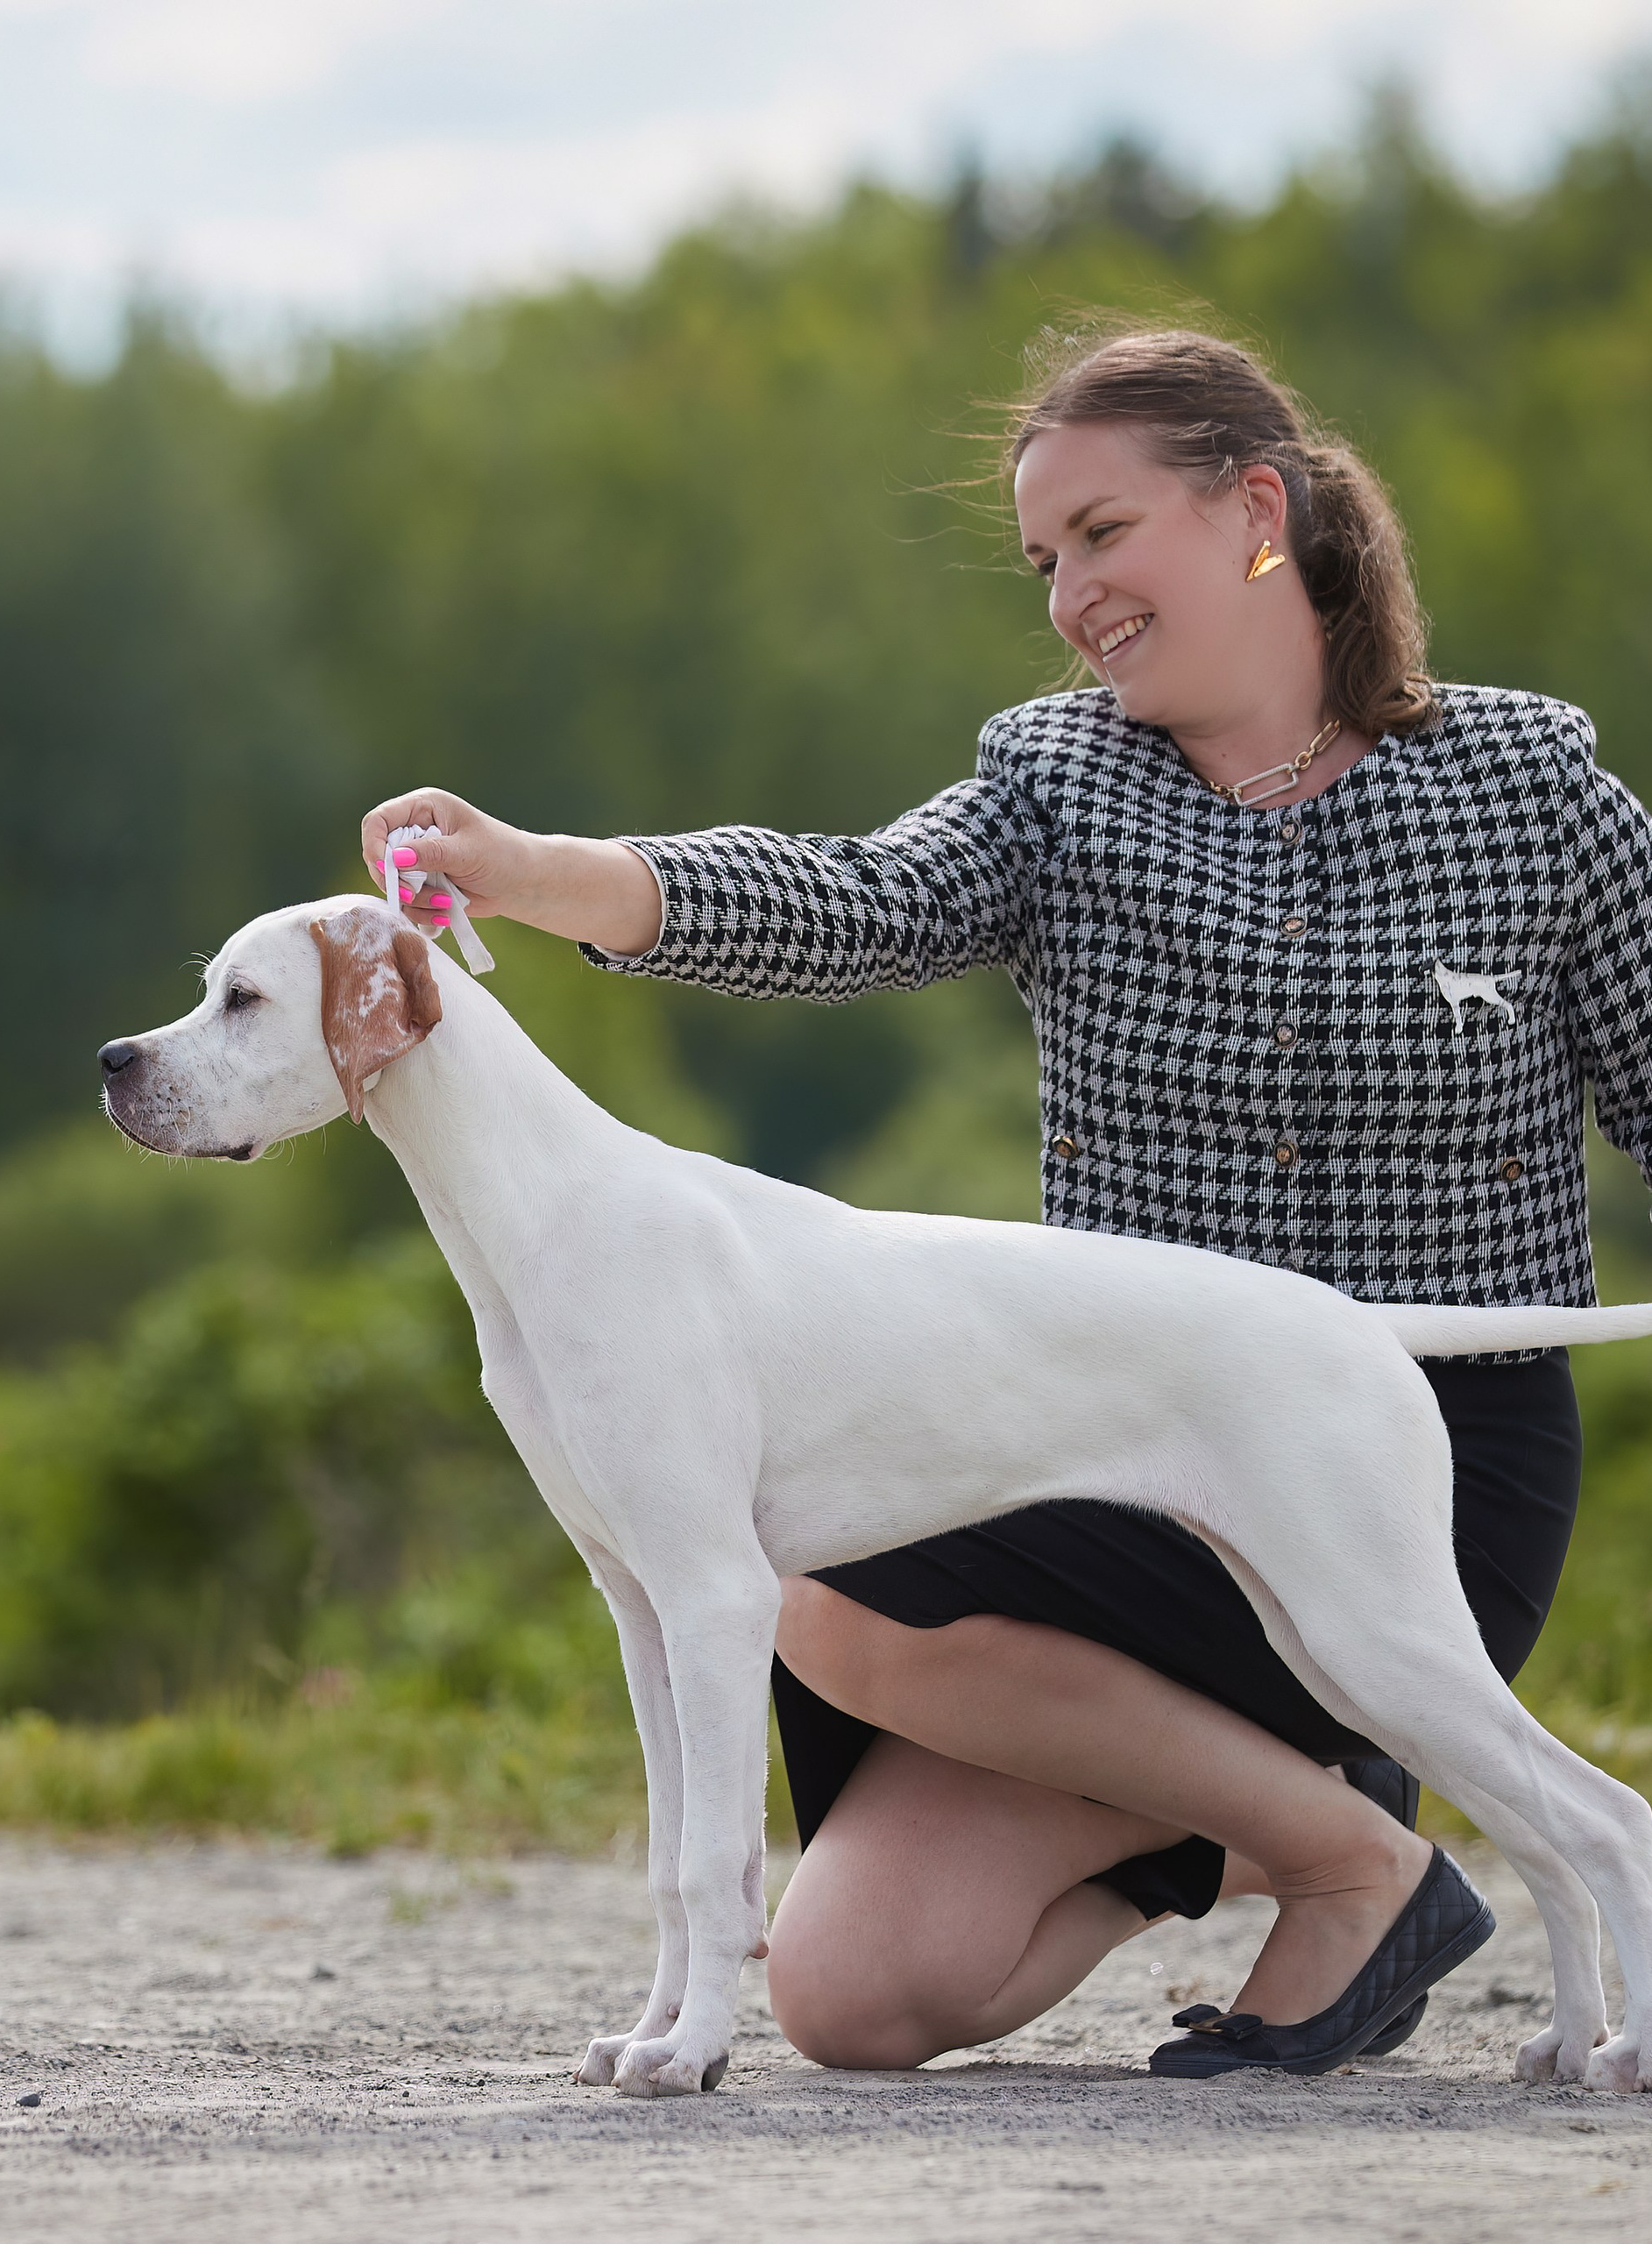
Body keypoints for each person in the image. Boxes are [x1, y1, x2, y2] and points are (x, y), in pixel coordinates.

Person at [356, 326, 1652, 2077]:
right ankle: (1337, 1835)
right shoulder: (1059, 783)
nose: (1069, 594)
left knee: (821, 1591)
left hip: (1427, 1426)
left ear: (1253, 512)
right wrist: (535, 870)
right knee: (847, 1982)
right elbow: (849, 901)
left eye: (1102, 534)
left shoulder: (1530, 794)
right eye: (1044, 560)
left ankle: (1345, 1825)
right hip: (1100, 1452)